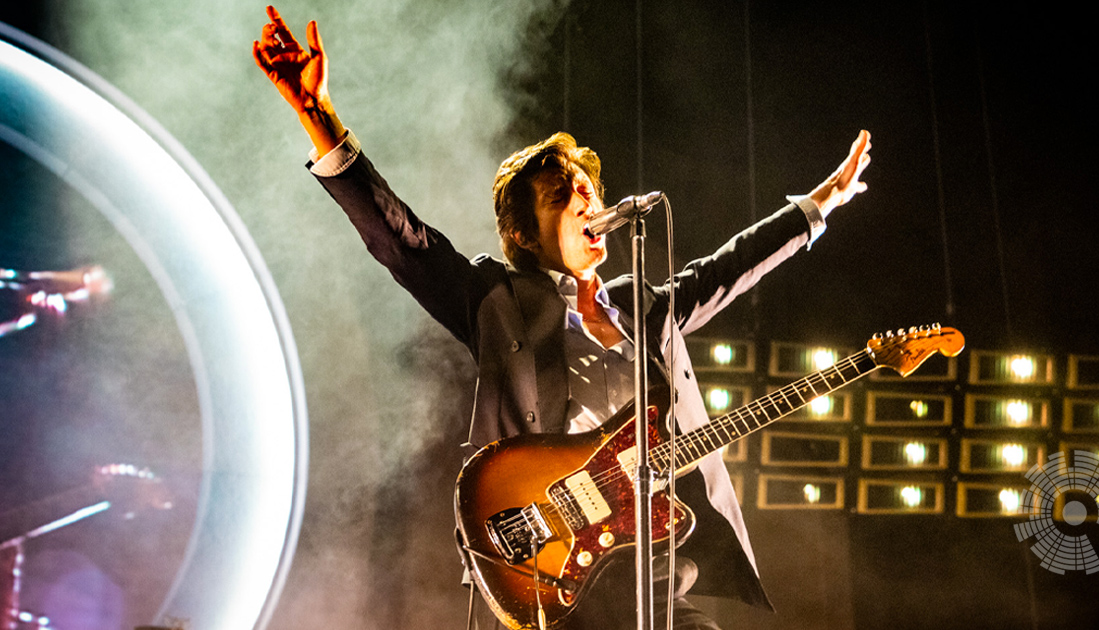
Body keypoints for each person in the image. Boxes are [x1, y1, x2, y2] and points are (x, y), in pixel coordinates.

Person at [253, 6, 870, 629]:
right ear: (524, 232)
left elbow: (729, 267)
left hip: (650, 572)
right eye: (562, 196)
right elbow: (404, 242)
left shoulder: (645, 308)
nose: (586, 200)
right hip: (551, 565)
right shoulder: (497, 299)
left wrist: (821, 203)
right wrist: (319, 117)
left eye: (589, 191)